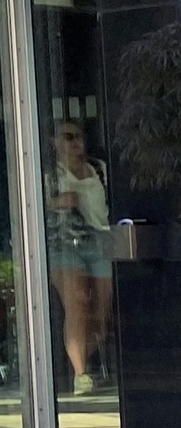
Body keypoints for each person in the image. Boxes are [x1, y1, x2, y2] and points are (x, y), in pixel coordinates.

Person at [46, 119, 111, 396]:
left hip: (100, 240)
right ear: (55, 143)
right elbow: (31, 205)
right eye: (67, 137)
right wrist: (56, 202)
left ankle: (84, 356)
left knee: (101, 311)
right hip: (65, 244)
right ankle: (80, 373)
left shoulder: (98, 168)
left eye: (78, 136)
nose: (74, 142)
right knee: (77, 305)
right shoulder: (50, 174)